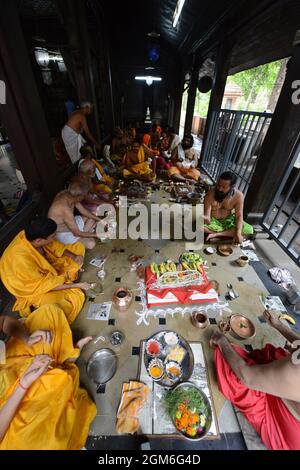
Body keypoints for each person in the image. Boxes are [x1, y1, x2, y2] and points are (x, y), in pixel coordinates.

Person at [0, 304, 96, 449]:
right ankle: (65, 363)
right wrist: (23, 384)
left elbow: (3, 322)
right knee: (40, 441)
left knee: (50, 313)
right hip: (7, 405)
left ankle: (61, 361)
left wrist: (27, 338)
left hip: (9, 365)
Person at [211, 309, 300, 450]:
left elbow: (246, 376)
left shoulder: (297, 370)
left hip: (289, 430)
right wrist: (278, 325)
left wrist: (222, 342)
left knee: (232, 376)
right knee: (276, 354)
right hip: (289, 386)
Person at [0, 217, 90, 324]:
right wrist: (76, 285)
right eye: (53, 236)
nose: (55, 237)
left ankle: (67, 278)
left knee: (78, 248)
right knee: (70, 301)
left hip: (47, 268)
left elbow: (55, 246)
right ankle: (37, 308)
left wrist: (74, 257)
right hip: (31, 288)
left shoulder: (31, 235)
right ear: (39, 240)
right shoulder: (20, 260)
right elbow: (43, 285)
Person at [48, 179, 101, 249]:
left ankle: (86, 234)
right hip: (63, 232)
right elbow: (76, 233)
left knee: (94, 214)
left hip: (72, 224)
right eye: (83, 196)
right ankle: (86, 235)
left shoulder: (69, 194)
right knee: (91, 244)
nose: (84, 198)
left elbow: (83, 211)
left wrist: (100, 220)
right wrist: (97, 235)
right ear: (79, 197)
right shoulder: (65, 209)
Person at [204, 171, 253, 243]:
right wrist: (205, 218)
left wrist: (238, 232)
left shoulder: (239, 196)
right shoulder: (210, 194)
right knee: (199, 227)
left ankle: (216, 234)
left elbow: (239, 216)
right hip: (213, 222)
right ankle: (226, 234)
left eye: (224, 187)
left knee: (249, 230)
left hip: (228, 221)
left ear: (232, 186)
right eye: (218, 185)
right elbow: (207, 216)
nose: (220, 189)